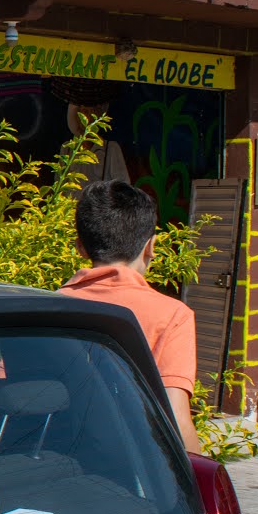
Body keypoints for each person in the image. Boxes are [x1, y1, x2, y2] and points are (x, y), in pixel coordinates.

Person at [60, 181, 202, 454]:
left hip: (49, 461)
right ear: (151, 246)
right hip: (132, 469)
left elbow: (11, 389)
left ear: (80, 247)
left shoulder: (44, 306)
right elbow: (176, 420)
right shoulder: (171, 316)